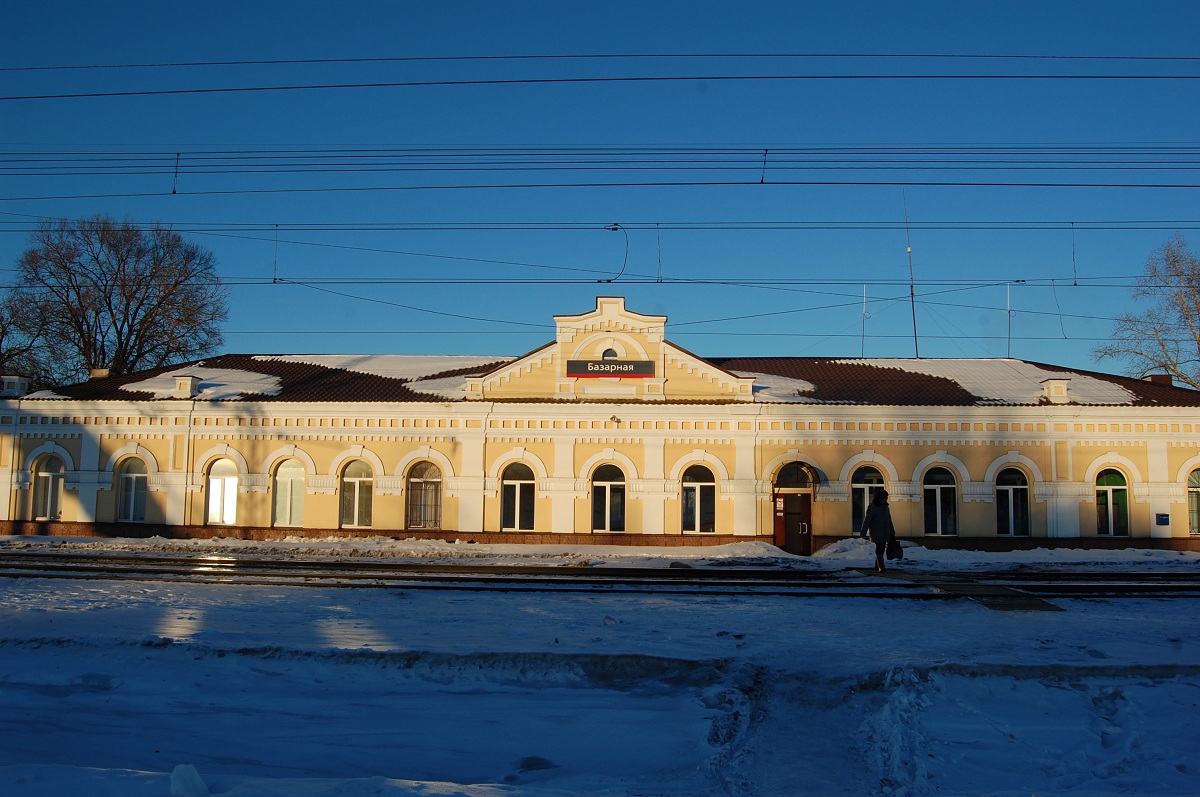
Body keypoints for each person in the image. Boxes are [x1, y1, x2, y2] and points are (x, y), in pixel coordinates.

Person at [859, 488, 896, 573]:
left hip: (885, 531)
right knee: (880, 547)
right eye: (885, 497)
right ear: (880, 498)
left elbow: (889, 520)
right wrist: (863, 532)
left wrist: (892, 531)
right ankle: (881, 567)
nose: (886, 499)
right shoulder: (873, 507)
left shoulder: (886, 507)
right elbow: (867, 520)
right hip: (877, 531)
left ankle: (878, 565)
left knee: (881, 548)